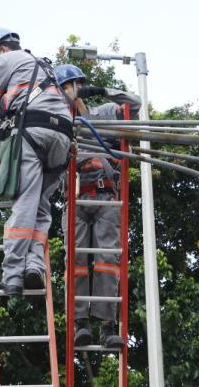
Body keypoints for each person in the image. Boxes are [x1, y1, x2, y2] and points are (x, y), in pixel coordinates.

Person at [0, 28, 72, 296]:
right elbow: (9, 103)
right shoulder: (43, 66)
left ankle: (12, 277)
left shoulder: (6, 61)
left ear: (2, 49)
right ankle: (33, 267)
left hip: (33, 133)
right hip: (62, 138)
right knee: (41, 207)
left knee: (25, 203)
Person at [54, 64, 141, 348]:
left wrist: (103, 91)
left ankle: (108, 326)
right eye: (66, 87)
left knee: (106, 259)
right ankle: (80, 323)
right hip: (74, 197)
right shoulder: (54, 119)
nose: (72, 92)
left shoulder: (100, 113)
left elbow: (134, 104)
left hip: (104, 197)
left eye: (76, 85)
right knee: (76, 261)